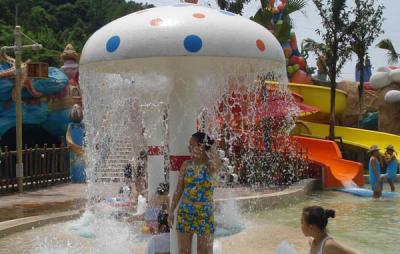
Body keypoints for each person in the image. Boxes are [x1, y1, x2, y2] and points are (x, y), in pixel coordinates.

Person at [168, 132, 222, 254]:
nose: (188, 148)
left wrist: (211, 146)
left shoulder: (211, 166)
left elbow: (217, 162)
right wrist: (171, 211)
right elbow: (178, 190)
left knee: (205, 251)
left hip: (205, 214)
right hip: (185, 213)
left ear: (201, 146)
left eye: (191, 145)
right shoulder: (186, 165)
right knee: (183, 251)